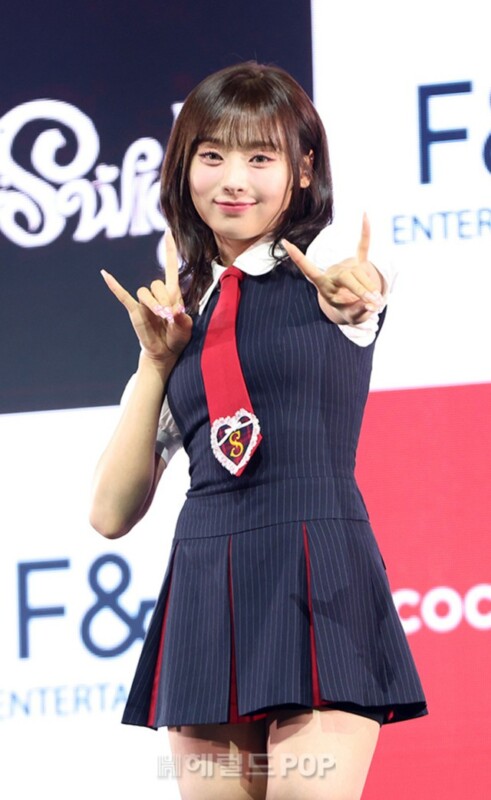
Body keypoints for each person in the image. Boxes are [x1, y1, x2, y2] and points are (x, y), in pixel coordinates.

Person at [90, 61, 427, 800]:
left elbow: (361, 291)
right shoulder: (178, 316)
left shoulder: (330, 269)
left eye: (260, 158)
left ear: (302, 171)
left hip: (318, 572)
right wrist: (155, 364)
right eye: (212, 156)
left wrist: (358, 294)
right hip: (206, 587)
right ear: (184, 170)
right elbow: (110, 514)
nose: (233, 180)